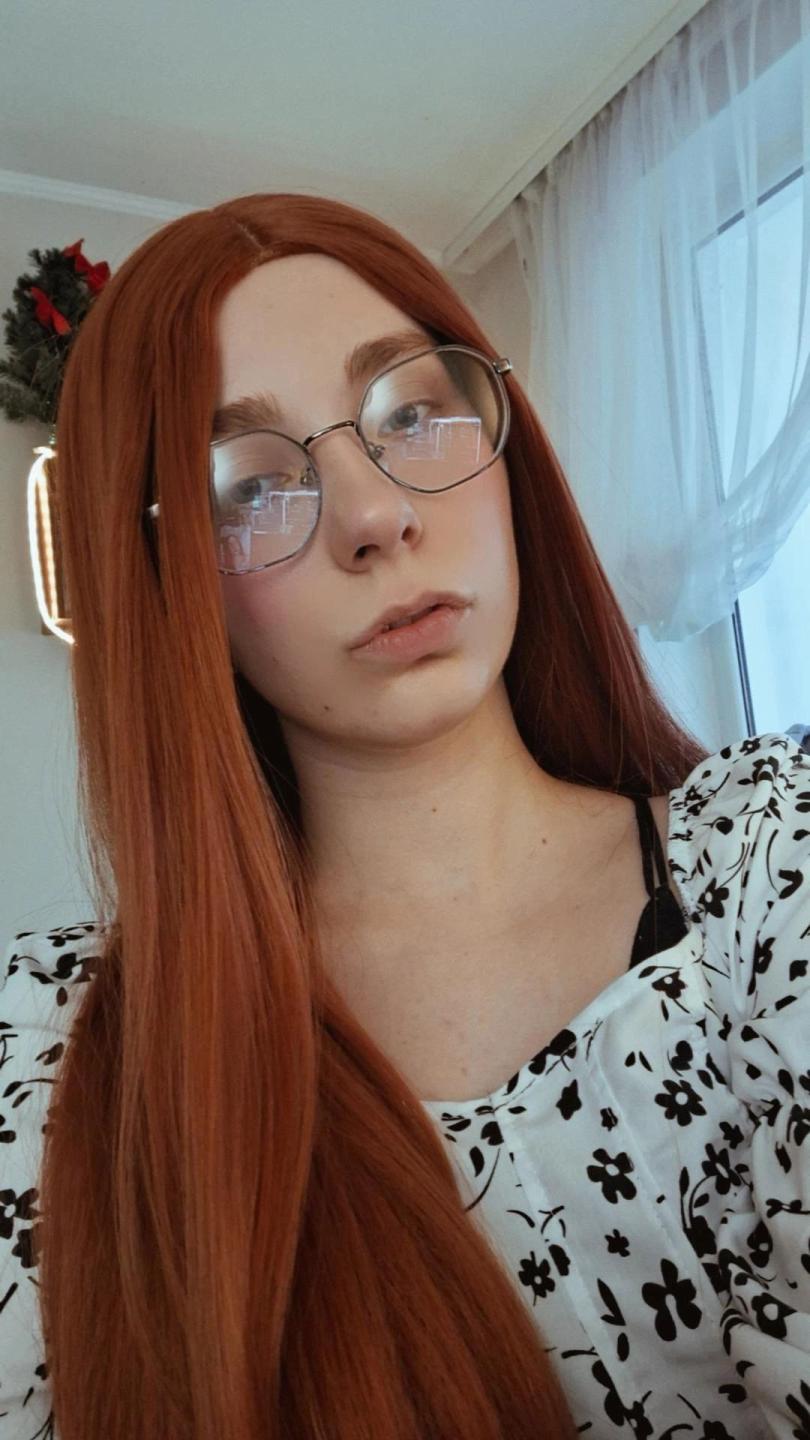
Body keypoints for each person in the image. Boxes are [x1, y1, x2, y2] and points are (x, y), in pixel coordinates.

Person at [1, 192, 808, 1440]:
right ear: (163, 584)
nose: (376, 516)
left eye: (412, 414)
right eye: (247, 487)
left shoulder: (768, 864)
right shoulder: (67, 1062)